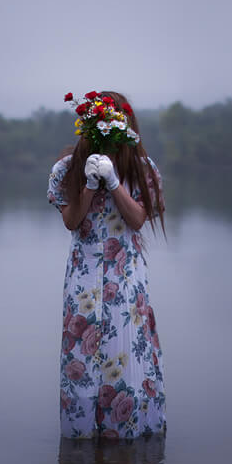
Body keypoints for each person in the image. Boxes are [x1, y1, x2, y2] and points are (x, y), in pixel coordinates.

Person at [47, 90, 167, 439]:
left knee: (125, 356)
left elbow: (138, 219)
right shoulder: (65, 170)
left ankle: (130, 438)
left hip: (126, 276)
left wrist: (114, 183)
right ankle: (82, 438)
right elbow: (71, 222)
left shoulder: (141, 170)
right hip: (83, 277)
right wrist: (87, 185)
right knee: (81, 361)